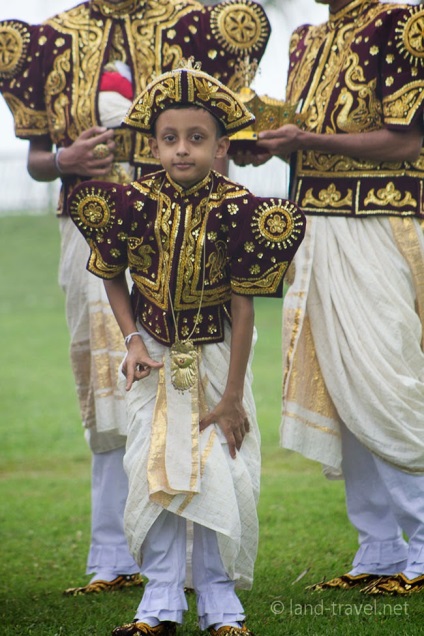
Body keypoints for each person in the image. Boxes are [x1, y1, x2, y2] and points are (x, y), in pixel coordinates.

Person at [0, 0, 271, 594]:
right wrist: (64, 160)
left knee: (190, 388)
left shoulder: (199, 25)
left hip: (188, 235)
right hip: (91, 237)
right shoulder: (52, 39)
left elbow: (231, 140)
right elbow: (40, 160)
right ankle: (111, 559)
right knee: (108, 392)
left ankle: (198, 562)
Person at [68, 63, 306, 635]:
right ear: (153, 144)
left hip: (218, 351)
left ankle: (221, 605)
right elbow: (111, 275)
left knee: (220, 470)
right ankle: (160, 605)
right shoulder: (130, 203)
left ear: (221, 145)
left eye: (196, 140)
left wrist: (230, 400)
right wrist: (130, 341)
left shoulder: (241, 209)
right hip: (151, 351)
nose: (182, 151)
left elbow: (245, 309)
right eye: (170, 139)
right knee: (156, 472)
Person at [235, 0, 424, 595]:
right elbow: (304, 146)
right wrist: (268, 147)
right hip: (315, 228)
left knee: (386, 380)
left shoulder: (401, 22)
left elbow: (408, 143)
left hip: (379, 224)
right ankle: (379, 551)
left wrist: (307, 139)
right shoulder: (305, 39)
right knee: (342, 390)